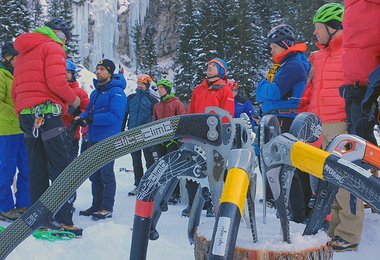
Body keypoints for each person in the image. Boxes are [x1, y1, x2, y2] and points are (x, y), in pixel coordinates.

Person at [11, 18, 82, 235]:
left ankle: (38, 218)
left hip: (27, 115)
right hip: (47, 114)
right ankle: (63, 219)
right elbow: (57, 83)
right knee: (61, 166)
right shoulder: (53, 47)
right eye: (63, 36)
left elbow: (15, 89)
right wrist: (74, 101)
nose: (64, 41)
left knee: (37, 167)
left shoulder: (24, 52)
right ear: (56, 33)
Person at [328, 0, 380, 252]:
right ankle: (371, 197)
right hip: (353, 88)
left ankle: (358, 217)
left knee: (358, 155)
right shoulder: (352, 5)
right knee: (356, 152)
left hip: (370, 85)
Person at [256, 24, 311, 223]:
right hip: (281, 117)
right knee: (287, 166)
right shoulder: (288, 63)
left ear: (284, 44)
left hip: (283, 119)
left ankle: (295, 213)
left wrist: (261, 85)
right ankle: (297, 210)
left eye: (273, 46)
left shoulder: (293, 64)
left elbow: (272, 93)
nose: (271, 50)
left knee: (285, 167)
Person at [298, 3, 346, 214]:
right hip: (317, 124)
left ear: (333, 26)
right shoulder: (317, 57)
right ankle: (330, 225)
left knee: (344, 180)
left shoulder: (350, 52)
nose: (315, 32)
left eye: (318, 26)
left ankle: (347, 233)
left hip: (340, 124)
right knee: (323, 179)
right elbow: (308, 91)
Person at [183, 58, 235, 217]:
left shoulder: (225, 90)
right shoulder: (199, 89)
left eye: (213, 66)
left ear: (221, 70)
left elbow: (227, 116)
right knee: (190, 167)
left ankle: (213, 206)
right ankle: (192, 204)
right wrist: (186, 132)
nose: (209, 67)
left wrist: (221, 137)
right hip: (195, 135)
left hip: (214, 137)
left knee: (213, 170)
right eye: (208, 65)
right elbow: (190, 111)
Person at [78, 59, 127, 220]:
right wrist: (81, 117)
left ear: (110, 72)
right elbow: (90, 111)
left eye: (102, 69)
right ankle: (96, 205)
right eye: (97, 69)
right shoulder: (96, 92)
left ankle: (106, 207)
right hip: (92, 138)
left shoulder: (117, 92)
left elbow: (115, 116)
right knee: (95, 175)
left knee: (106, 174)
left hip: (107, 139)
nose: (98, 72)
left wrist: (92, 120)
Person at [0, 41, 30, 221]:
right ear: (7, 57)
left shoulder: (19, 74)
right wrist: (18, 114)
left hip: (22, 130)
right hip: (6, 131)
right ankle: (5, 206)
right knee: (6, 169)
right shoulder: (2, 75)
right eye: (17, 57)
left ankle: (24, 204)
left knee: (27, 167)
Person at [122, 74, 158, 196]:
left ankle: (150, 185)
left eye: (142, 84)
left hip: (147, 134)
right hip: (133, 133)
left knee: (149, 160)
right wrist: (121, 130)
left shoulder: (153, 100)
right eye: (138, 83)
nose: (140, 85)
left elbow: (155, 118)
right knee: (136, 161)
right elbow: (125, 114)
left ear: (147, 85)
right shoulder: (131, 98)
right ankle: (138, 185)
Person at [152, 79, 186, 206]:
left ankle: (175, 193)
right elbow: (154, 122)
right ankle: (162, 191)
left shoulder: (177, 104)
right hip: (160, 140)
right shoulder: (157, 106)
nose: (159, 89)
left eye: (161, 87)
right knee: (161, 166)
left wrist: (178, 139)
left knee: (173, 167)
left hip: (172, 141)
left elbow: (183, 121)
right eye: (158, 87)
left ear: (167, 89)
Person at [63, 60, 89, 159]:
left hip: (72, 135)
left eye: (68, 72)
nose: (65, 74)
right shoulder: (53, 90)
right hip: (53, 135)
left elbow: (87, 111)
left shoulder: (80, 93)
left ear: (72, 74)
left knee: (70, 167)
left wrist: (78, 114)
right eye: (63, 72)